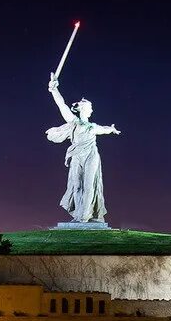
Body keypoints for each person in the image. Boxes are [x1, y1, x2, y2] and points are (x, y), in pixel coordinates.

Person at [46, 74, 121, 223]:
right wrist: (54, 89)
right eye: (90, 108)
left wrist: (111, 129)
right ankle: (78, 214)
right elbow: (62, 105)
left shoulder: (92, 127)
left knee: (88, 185)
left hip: (91, 155)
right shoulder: (74, 122)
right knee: (77, 186)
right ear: (83, 109)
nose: (92, 111)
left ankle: (85, 216)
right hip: (77, 155)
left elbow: (103, 129)